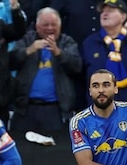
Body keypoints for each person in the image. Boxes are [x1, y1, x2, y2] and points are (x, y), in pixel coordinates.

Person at [9, 7, 82, 139]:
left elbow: (76, 66)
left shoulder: (67, 42)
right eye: (45, 25)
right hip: (26, 109)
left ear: (60, 26)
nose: (49, 28)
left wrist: (58, 53)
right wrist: (29, 50)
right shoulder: (28, 39)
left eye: (53, 25)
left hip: (54, 110)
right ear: (37, 26)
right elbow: (10, 61)